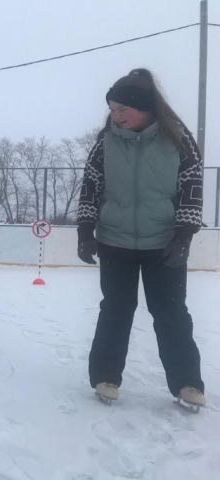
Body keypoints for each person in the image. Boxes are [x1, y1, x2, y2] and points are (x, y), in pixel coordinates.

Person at [76, 68, 205, 407]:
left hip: (163, 242)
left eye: (123, 109)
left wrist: (183, 236)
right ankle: (105, 376)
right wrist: (85, 231)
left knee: (171, 312)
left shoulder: (177, 138)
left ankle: (187, 384)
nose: (116, 116)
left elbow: (192, 186)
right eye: (112, 110)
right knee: (115, 309)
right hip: (114, 241)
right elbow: (90, 186)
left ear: (145, 107)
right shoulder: (107, 142)